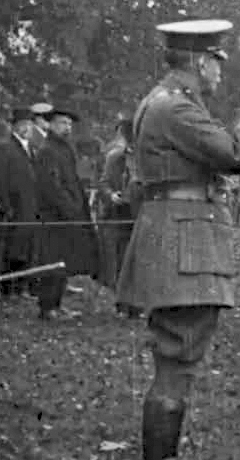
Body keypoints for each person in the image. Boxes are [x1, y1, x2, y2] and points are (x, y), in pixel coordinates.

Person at [114, 19, 240, 460]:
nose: (219, 71)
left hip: (178, 242)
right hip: (183, 247)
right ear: (201, 61)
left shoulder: (166, 102)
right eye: (216, 62)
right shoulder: (176, 107)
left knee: (176, 366)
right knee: (176, 368)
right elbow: (238, 155)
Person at [33, 107, 100, 320]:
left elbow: (72, 181)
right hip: (54, 216)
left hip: (68, 215)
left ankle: (57, 304)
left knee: (63, 261)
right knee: (52, 260)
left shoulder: (65, 149)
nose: (67, 127)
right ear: (51, 125)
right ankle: (47, 307)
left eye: (69, 124)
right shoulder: (47, 150)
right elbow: (52, 187)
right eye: (63, 123)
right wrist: (70, 208)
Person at [0, 108, 41, 297]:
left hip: (28, 207)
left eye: (29, 125)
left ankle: (20, 287)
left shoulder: (30, 149)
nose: (27, 129)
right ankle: (4, 288)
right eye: (23, 125)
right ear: (13, 126)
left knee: (24, 248)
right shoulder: (4, 148)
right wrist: (5, 205)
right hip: (12, 209)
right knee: (8, 248)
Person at [96, 118, 141, 317]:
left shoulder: (148, 159)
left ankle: (139, 304)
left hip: (142, 214)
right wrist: (111, 195)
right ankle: (123, 304)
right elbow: (104, 183)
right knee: (121, 260)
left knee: (140, 260)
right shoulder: (114, 158)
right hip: (119, 214)